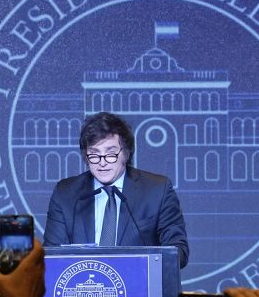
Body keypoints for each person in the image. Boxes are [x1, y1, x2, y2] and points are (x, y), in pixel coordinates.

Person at [44, 112, 189, 268]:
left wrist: (137, 265)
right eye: (94, 154)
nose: (102, 162)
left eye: (111, 154)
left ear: (126, 154)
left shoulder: (157, 190)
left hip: (139, 288)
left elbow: (178, 252)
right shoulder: (66, 193)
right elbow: (52, 257)